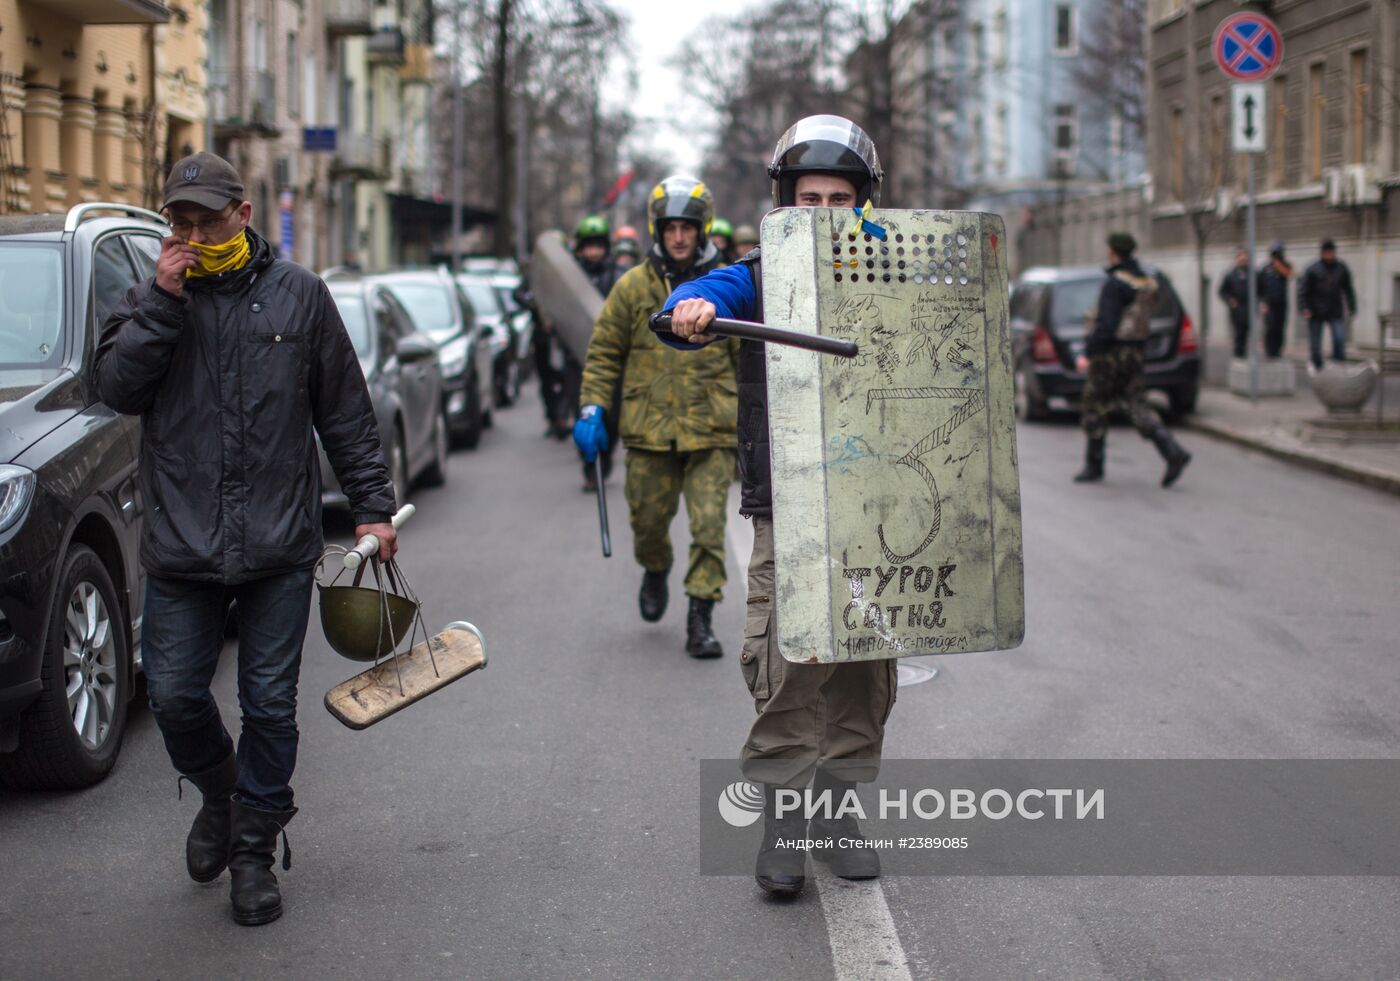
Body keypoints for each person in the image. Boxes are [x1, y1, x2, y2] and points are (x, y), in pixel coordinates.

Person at [92, 152, 398, 926]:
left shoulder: (300, 296)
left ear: (244, 215)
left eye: (205, 219)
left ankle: (255, 848)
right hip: (181, 542)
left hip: (277, 542)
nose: (190, 235)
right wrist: (164, 300)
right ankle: (224, 796)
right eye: (179, 222)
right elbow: (117, 388)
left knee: (268, 703)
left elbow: (346, 411)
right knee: (172, 693)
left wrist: (372, 507)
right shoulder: (152, 296)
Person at [660, 116, 892, 898]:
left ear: (863, 203)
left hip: (882, 508)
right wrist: (691, 305)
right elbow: (706, 291)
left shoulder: (892, 267)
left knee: (864, 666)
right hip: (788, 503)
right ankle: (784, 822)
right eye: (807, 197)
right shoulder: (757, 274)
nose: (823, 211)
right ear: (783, 204)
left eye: (838, 197)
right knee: (792, 662)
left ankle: (835, 812)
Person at [573, 177, 734, 659]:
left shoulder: (727, 284)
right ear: (656, 230)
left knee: (709, 526)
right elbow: (604, 353)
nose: (680, 237)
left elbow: (753, 358)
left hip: (711, 427)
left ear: (702, 229)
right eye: (671, 228)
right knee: (648, 521)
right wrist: (591, 408)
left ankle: (700, 616)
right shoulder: (632, 288)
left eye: (688, 227)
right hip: (648, 429)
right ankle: (656, 566)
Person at [1071, 232, 1191, 487]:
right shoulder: (1145, 281)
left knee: (1094, 404)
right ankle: (1172, 451)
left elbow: (1106, 324)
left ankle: (1093, 466)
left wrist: (1088, 354)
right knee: (1137, 403)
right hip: (1135, 353)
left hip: (1110, 354)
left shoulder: (1115, 283)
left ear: (1113, 251)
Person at [571, 215, 623, 490]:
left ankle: (606, 455)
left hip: (609, 356)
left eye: (598, 246)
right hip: (575, 358)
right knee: (581, 412)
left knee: (611, 415)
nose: (593, 252)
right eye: (588, 246)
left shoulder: (617, 277)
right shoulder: (570, 276)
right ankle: (590, 466)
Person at [1298, 238, 1357, 370]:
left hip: (1334, 310)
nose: (1329, 255)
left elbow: (1348, 289)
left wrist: (1352, 306)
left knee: (1339, 339)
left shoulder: (1341, 268)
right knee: (1315, 344)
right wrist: (1304, 308)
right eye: (1326, 252)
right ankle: (1317, 365)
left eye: (1331, 252)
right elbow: (1303, 290)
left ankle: (1338, 365)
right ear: (1322, 253)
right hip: (1316, 311)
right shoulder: (1313, 269)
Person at [1257, 239, 1293, 359]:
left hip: (1281, 303)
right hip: (1269, 304)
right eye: (1274, 253)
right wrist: (1262, 302)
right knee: (1270, 328)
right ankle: (1269, 351)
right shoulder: (1265, 269)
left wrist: (1279, 265)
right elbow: (1259, 287)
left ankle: (1278, 351)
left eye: (1278, 253)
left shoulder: (1285, 266)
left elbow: (1290, 275)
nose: (1276, 256)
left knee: (1280, 327)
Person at [1218, 246, 1252, 359]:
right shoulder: (1230, 275)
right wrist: (1230, 300)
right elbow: (1222, 291)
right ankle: (1238, 356)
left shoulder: (1252, 274)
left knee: (1247, 335)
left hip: (1249, 310)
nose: (1243, 261)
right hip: (1236, 311)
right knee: (1238, 335)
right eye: (1240, 259)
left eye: (1245, 260)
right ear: (1237, 260)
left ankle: (1245, 356)